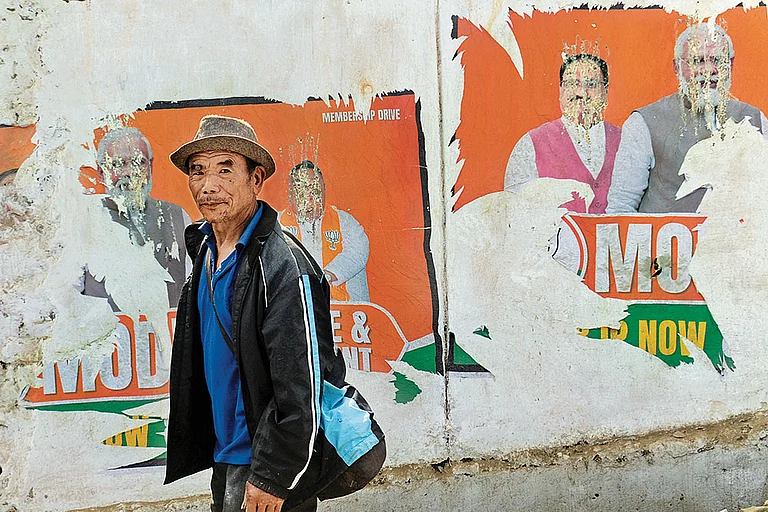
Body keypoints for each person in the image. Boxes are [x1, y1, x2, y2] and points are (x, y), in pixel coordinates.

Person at [164, 115, 385, 512]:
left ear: (256, 179)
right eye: (198, 171)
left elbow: (301, 381)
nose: (208, 185)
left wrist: (274, 477)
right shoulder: (205, 251)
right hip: (227, 453)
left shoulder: (282, 264)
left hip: (266, 461)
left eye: (225, 169)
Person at [607, 24, 768, 213]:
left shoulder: (756, 119)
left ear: (730, 65)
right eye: (697, 61)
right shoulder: (643, 122)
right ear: (677, 67)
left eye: (717, 60)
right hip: (667, 241)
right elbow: (621, 208)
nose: (708, 70)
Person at [82, 127, 190, 308]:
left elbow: (194, 290)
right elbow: (67, 301)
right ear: (101, 172)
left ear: (150, 166)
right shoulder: (82, 221)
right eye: (117, 164)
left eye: (139, 162)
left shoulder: (177, 217)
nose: (130, 173)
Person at [504, 53, 620, 214]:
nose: (581, 92)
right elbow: (514, 210)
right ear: (561, 90)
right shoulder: (531, 143)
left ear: (605, 91)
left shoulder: (626, 140)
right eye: (572, 83)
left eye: (591, 84)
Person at [279, 160, 370, 302]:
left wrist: (325, 276)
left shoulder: (344, 221)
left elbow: (358, 252)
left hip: (346, 312)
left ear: (323, 189)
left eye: (313, 187)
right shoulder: (277, 223)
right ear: (289, 193)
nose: (307, 194)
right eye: (299, 187)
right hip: (295, 310)